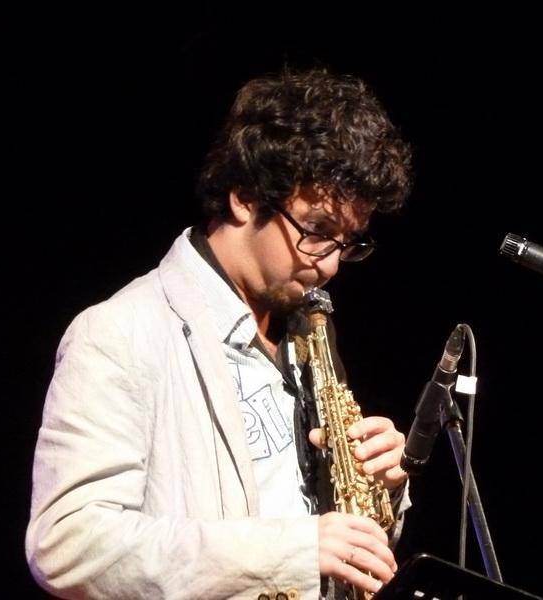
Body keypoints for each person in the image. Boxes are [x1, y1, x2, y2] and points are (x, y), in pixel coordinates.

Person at [26, 68, 414, 599]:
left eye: (348, 242)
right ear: (244, 197)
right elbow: (68, 545)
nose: (329, 266)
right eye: (317, 231)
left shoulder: (305, 338)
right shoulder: (119, 333)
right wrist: (292, 551)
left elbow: (322, 530)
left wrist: (378, 489)